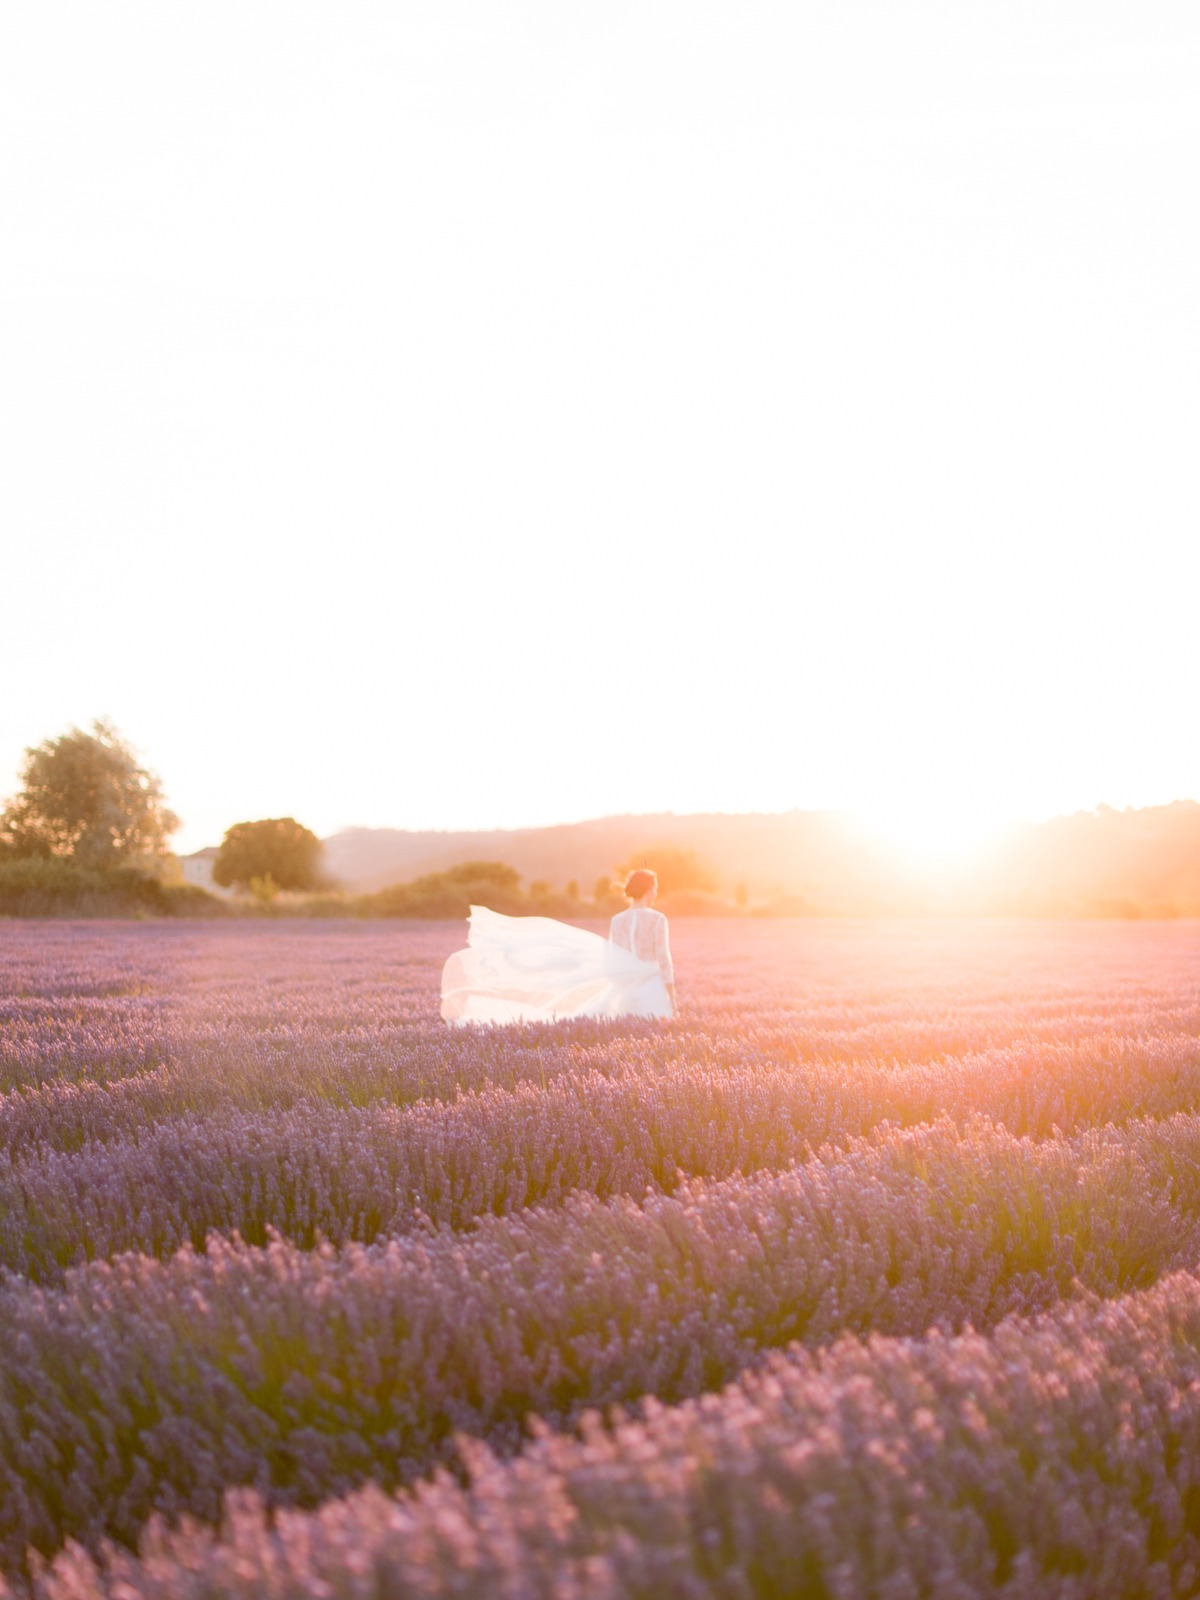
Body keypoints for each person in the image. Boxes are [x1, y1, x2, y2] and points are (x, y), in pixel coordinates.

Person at [440, 869, 676, 1025]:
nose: (656, 892)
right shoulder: (657, 919)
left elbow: (612, 958)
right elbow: (663, 958)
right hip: (650, 989)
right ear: (648, 889)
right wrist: (673, 999)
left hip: (624, 990)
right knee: (655, 1030)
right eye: (655, 887)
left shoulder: (617, 920)